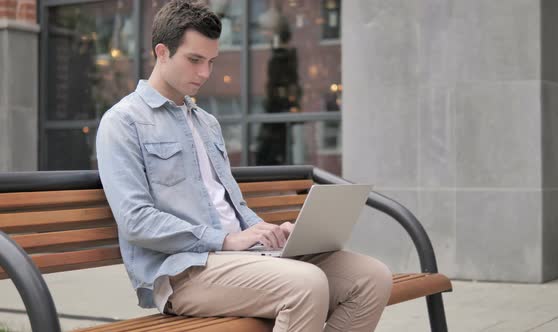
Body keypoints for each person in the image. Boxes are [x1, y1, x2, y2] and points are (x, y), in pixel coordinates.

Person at [96, 1, 392, 331]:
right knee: (306, 284)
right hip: (184, 272)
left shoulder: (206, 123)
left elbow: (231, 207)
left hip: (241, 258)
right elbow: (135, 220)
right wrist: (223, 240)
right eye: (194, 60)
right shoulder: (123, 122)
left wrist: (270, 233)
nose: (205, 74)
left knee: (371, 278)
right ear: (162, 52)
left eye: (210, 62)